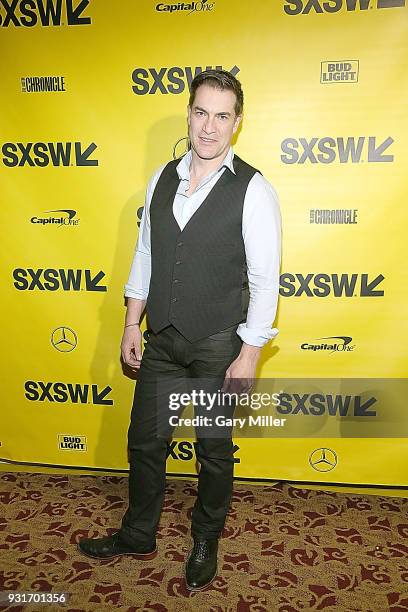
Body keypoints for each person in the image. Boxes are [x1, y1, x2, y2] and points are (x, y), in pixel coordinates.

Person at [78, 69, 281, 591]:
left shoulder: (254, 189)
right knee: (145, 442)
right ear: (188, 114)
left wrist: (249, 354)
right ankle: (138, 532)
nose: (208, 127)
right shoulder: (161, 177)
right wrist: (131, 319)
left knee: (213, 447)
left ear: (237, 124)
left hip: (218, 344)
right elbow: (146, 254)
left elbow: (265, 278)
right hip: (163, 338)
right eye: (200, 113)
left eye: (222, 116)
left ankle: (206, 538)